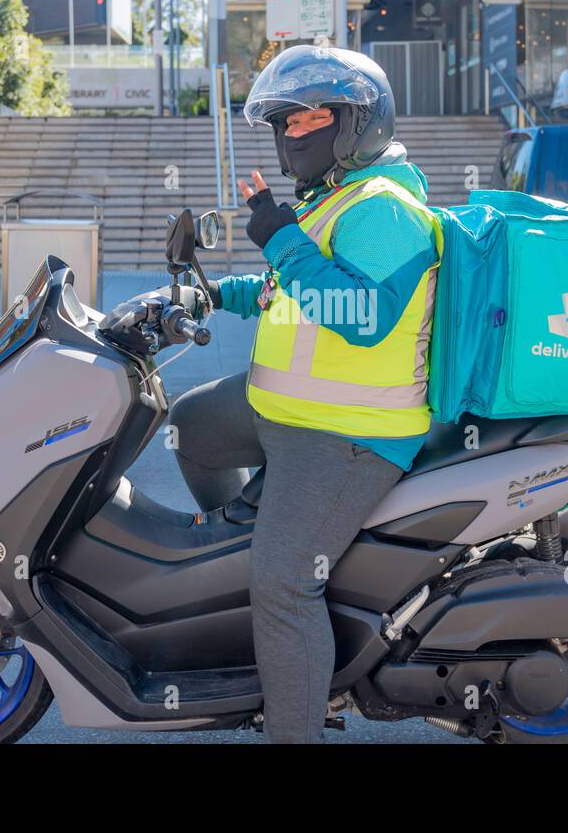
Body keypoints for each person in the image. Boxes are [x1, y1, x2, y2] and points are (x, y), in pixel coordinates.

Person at [168, 46, 442, 743]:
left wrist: (281, 238)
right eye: (285, 122)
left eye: (309, 118)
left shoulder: (387, 208)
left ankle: (297, 722)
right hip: (281, 411)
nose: (293, 135)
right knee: (191, 424)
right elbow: (288, 291)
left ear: (356, 124)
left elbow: (360, 314)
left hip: (347, 435)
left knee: (286, 584)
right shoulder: (335, 199)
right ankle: (240, 554)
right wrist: (212, 295)